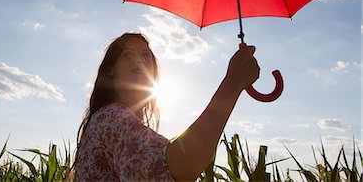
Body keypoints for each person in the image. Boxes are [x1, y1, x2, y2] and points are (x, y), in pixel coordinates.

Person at [74, 32, 260, 181]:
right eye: (128, 54)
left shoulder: (110, 120)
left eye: (146, 55)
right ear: (110, 70)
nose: (140, 60)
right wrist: (233, 83)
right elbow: (178, 167)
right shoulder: (110, 118)